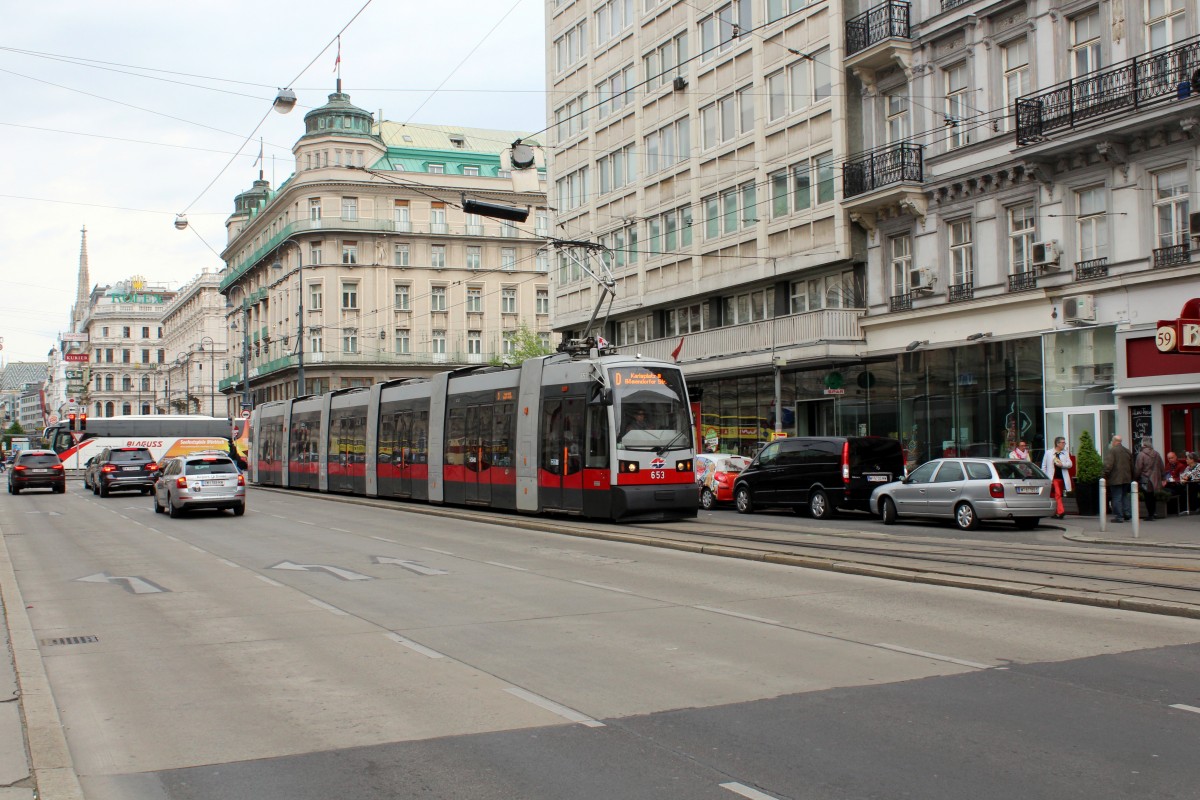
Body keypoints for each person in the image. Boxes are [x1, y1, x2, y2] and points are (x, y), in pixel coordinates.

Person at [1103, 434, 1135, 522]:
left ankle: (1119, 516)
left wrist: (1104, 475)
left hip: (1116, 478)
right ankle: (1127, 513)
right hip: (1127, 478)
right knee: (1124, 496)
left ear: (1114, 442)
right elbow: (1132, 465)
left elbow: (1108, 465)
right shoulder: (1127, 451)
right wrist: (1132, 477)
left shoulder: (1112, 451)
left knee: (1117, 497)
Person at [1040, 436, 1072, 520]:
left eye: (1064, 442)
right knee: (1057, 494)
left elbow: (1070, 464)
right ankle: (1061, 511)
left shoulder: (1065, 453)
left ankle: (1056, 512)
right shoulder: (1049, 453)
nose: (1064, 444)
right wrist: (1044, 477)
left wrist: (1062, 465)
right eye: (1063, 442)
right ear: (1057, 444)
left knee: (1057, 495)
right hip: (1053, 478)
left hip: (1062, 478)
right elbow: (1044, 466)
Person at [1134, 438, 1166, 520]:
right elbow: (1162, 467)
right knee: (1153, 496)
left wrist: (1135, 478)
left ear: (1143, 445)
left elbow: (1138, 468)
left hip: (1145, 478)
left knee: (1147, 497)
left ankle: (1150, 514)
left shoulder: (1141, 455)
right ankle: (1154, 512)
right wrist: (1163, 477)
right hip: (1155, 478)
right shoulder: (1157, 454)